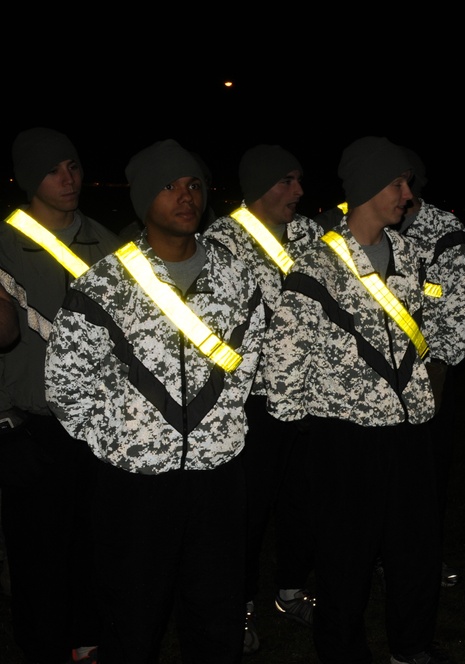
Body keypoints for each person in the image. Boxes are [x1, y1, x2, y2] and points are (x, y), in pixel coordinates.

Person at [44, 139, 267, 663]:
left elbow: (249, 367)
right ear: (144, 199)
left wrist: (218, 433)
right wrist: (123, 441)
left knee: (216, 621)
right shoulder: (104, 285)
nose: (185, 196)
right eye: (169, 186)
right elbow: (67, 386)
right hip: (134, 490)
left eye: (193, 184)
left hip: (217, 481)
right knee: (132, 622)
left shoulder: (238, 281)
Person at [263, 136, 451, 664]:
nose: (407, 194)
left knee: (416, 552)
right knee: (345, 561)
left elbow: (429, 335)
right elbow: (284, 363)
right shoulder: (316, 266)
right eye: (397, 182)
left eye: (408, 183)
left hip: (410, 431)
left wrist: (420, 400)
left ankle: (410, 649)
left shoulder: (412, 257)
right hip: (345, 438)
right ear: (368, 187)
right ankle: (343, 652)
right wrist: (318, 421)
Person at [0, 127, 120, 664]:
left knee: (95, 544)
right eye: (53, 170)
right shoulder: (4, 242)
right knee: (37, 553)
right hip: (30, 422)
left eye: (72, 165)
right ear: (30, 180)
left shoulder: (106, 240)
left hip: (96, 421)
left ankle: (90, 639)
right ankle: (44, 646)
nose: (69, 178)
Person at [203, 144, 325, 653]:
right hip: (253, 401)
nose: (298, 191)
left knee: (305, 500)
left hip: (311, 393)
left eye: (298, 180)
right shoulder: (222, 240)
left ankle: (291, 590)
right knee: (247, 512)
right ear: (257, 188)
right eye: (286, 182)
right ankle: (240, 604)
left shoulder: (310, 234)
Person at [398, 146, 465, 588]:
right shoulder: (366, 230)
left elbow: (458, 320)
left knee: (426, 484)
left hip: (430, 385)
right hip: (371, 387)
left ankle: (422, 561)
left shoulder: (444, 232)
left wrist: (435, 374)